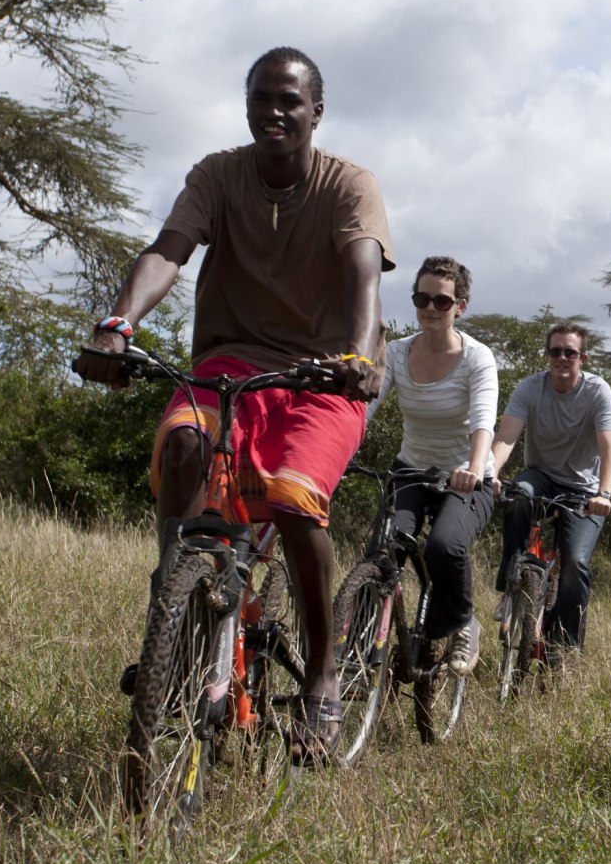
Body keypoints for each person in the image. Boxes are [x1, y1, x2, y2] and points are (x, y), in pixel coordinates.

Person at [76, 47, 393, 761]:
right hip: (228, 362)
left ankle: (320, 680)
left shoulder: (350, 186)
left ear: (316, 110)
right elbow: (168, 250)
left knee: (289, 496)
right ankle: (174, 615)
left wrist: (360, 359)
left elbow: (363, 282)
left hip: (324, 374)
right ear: (246, 107)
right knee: (183, 445)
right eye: (261, 100)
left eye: (289, 100)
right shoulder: (217, 175)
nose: (273, 113)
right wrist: (118, 324)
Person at [369, 256, 499, 675]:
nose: (429, 307)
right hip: (412, 469)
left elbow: (483, 420)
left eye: (441, 301)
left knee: (444, 546)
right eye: (421, 298)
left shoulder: (477, 359)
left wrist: (475, 468)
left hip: (468, 475)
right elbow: (363, 411)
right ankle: (366, 636)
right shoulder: (396, 353)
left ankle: (462, 623)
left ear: (460, 306)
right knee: (385, 548)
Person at [488, 321, 611, 659]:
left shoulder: (598, 392)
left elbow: (609, 452)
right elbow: (505, 437)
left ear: (583, 357)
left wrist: (603, 495)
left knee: (575, 562)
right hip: (542, 475)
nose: (562, 357)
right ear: (547, 355)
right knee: (519, 496)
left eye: (570, 352)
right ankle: (511, 582)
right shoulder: (530, 388)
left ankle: (563, 650)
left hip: (584, 489)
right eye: (555, 351)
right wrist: (490, 471)